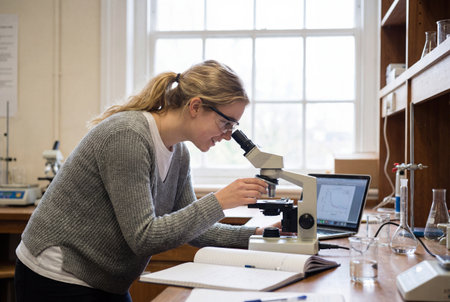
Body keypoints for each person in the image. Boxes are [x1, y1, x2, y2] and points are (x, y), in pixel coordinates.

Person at [14, 60, 276, 302]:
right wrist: (218, 201)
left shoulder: (179, 153)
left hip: (105, 280)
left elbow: (195, 228)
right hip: (58, 274)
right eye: (225, 123)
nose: (228, 135)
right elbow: (143, 237)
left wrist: (258, 236)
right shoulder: (127, 136)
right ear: (195, 106)